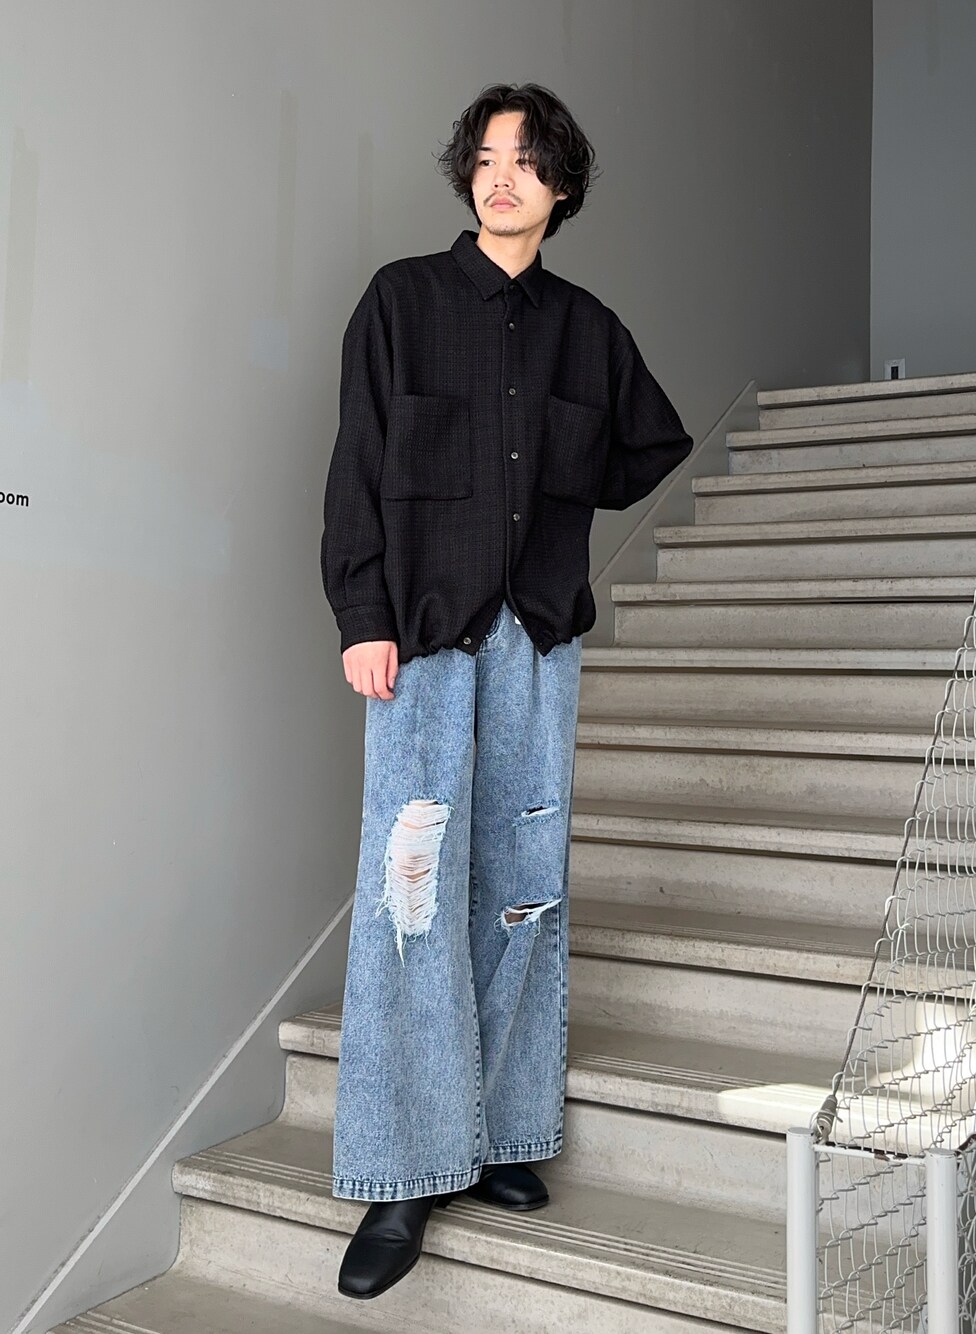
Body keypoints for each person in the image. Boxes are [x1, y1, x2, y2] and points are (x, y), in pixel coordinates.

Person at [319, 81, 693, 1301]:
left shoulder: (589, 329)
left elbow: (649, 442)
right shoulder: (402, 301)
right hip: (422, 640)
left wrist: (557, 480)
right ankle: (403, 1168)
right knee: (414, 896)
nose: (500, 178)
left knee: (523, 888)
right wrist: (362, 615)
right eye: (484, 158)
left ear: (561, 185)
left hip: (536, 638)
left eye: (526, 160)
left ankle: (494, 1133)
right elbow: (357, 463)